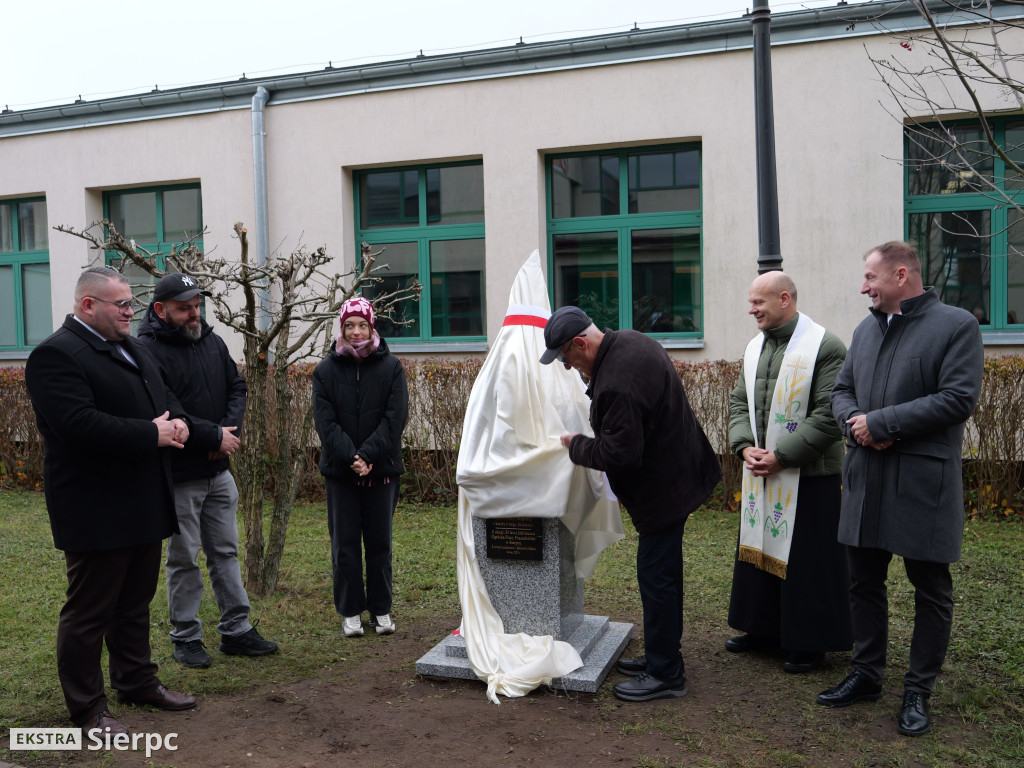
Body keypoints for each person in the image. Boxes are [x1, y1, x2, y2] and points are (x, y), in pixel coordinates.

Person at [24, 266, 197, 735]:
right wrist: (152, 432)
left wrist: (177, 422)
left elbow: (163, 398)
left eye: (130, 302)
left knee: (134, 603)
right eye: (121, 304)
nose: (130, 311)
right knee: (89, 612)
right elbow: (78, 426)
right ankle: (88, 709)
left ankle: (137, 681)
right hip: (94, 506)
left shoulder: (132, 346)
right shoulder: (55, 356)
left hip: (142, 498)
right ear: (88, 305)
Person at [821, 241, 984, 737]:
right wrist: (854, 424)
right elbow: (840, 391)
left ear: (899, 275)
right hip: (866, 478)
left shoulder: (957, 326)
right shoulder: (864, 331)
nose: (863, 287)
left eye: (870, 277)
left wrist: (884, 421)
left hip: (921, 483)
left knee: (930, 591)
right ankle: (866, 675)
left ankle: (918, 691)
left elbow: (958, 398)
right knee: (862, 583)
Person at [540, 306, 721, 702]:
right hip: (681, 472)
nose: (568, 368)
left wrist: (577, 446)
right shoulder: (630, 341)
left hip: (665, 491)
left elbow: (620, 455)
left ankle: (666, 673)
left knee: (657, 579)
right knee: (662, 575)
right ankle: (662, 655)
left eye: (566, 358)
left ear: (580, 344)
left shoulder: (616, 383)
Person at [137, 272, 278, 668]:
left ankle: (236, 630)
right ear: (161, 310)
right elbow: (164, 406)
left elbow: (237, 388)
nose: (194, 313)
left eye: (197, 305)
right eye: (184, 308)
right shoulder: (145, 350)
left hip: (219, 470)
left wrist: (226, 433)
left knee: (225, 551)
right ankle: (186, 635)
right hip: (179, 473)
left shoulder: (212, 341)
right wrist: (211, 436)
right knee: (183, 556)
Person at [726, 272, 852, 673]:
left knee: (809, 562)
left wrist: (782, 456)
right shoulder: (754, 347)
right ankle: (761, 629)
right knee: (759, 549)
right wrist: (745, 446)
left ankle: (810, 641)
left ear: (784, 299)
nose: (751, 310)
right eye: (751, 302)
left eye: (758, 303)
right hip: (761, 468)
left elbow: (829, 414)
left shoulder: (826, 346)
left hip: (811, 475)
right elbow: (739, 403)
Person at [312, 297, 408, 638]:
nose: (356, 332)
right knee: (345, 544)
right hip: (341, 472)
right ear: (342, 328)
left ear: (372, 327)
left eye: (362, 325)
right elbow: (326, 423)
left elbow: (394, 419)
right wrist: (351, 457)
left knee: (380, 541)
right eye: (349, 325)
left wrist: (368, 455)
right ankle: (351, 610)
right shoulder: (324, 371)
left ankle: (381, 609)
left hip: (381, 470)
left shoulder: (392, 368)